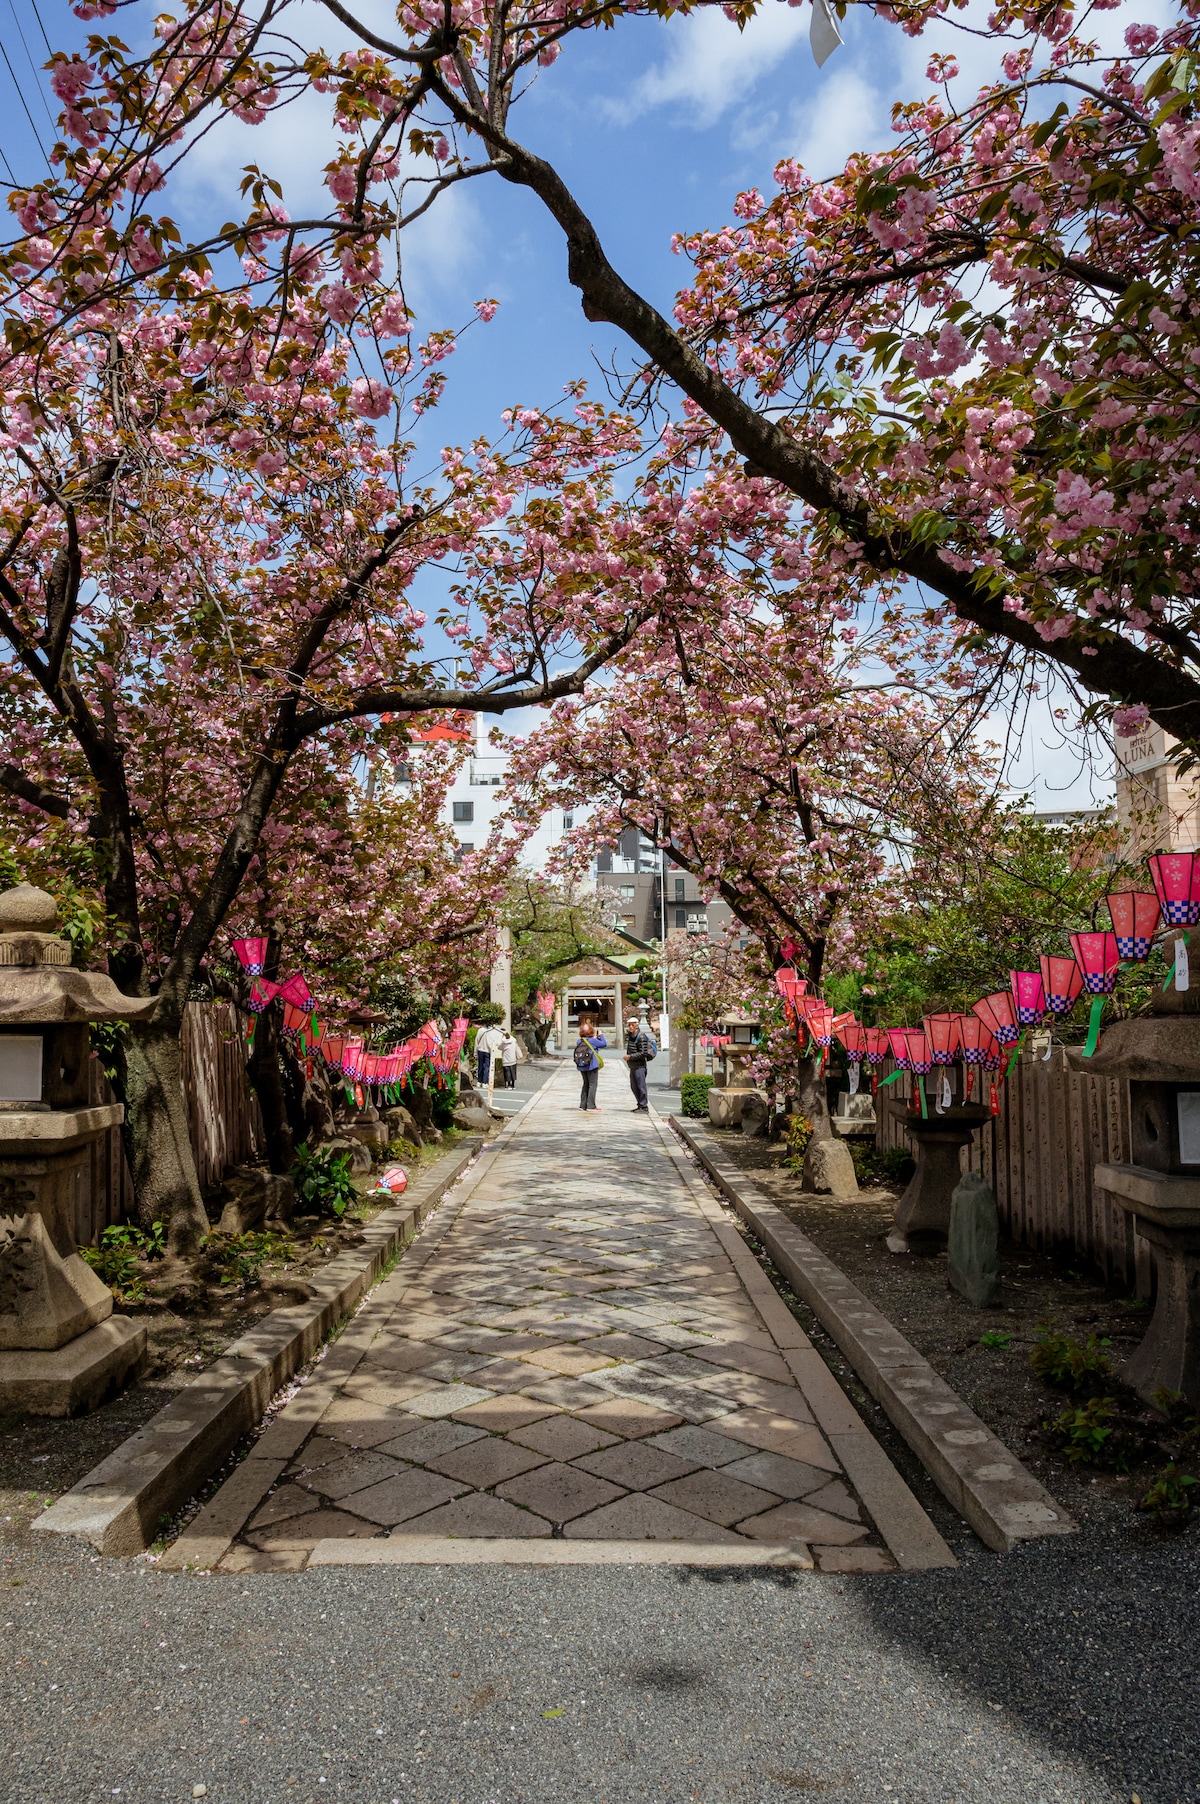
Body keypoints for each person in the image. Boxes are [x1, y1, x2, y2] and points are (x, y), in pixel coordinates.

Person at [623, 1013, 656, 1113]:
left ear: (637, 1025)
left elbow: (643, 1053)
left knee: (641, 1086)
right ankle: (639, 1105)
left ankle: (644, 1106)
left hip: (640, 1066)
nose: (630, 1027)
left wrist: (630, 1057)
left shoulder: (641, 1037)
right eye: (629, 1025)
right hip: (633, 1065)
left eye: (632, 1025)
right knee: (634, 1086)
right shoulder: (631, 1036)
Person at [573, 1017, 606, 1111]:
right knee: (592, 1084)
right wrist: (601, 1034)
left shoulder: (579, 1041)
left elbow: (588, 1041)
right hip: (591, 1065)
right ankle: (591, 1105)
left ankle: (583, 1105)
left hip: (582, 1065)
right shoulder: (593, 1041)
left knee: (585, 1084)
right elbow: (604, 1044)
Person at [475, 1020, 503, 1087]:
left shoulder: (480, 1030)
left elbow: (477, 1041)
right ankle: (485, 1082)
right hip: (488, 1051)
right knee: (486, 1067)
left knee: (480, 1066)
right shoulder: (492, 1031)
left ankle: (479, 1081)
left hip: (480, 1050)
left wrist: (475, 1051)